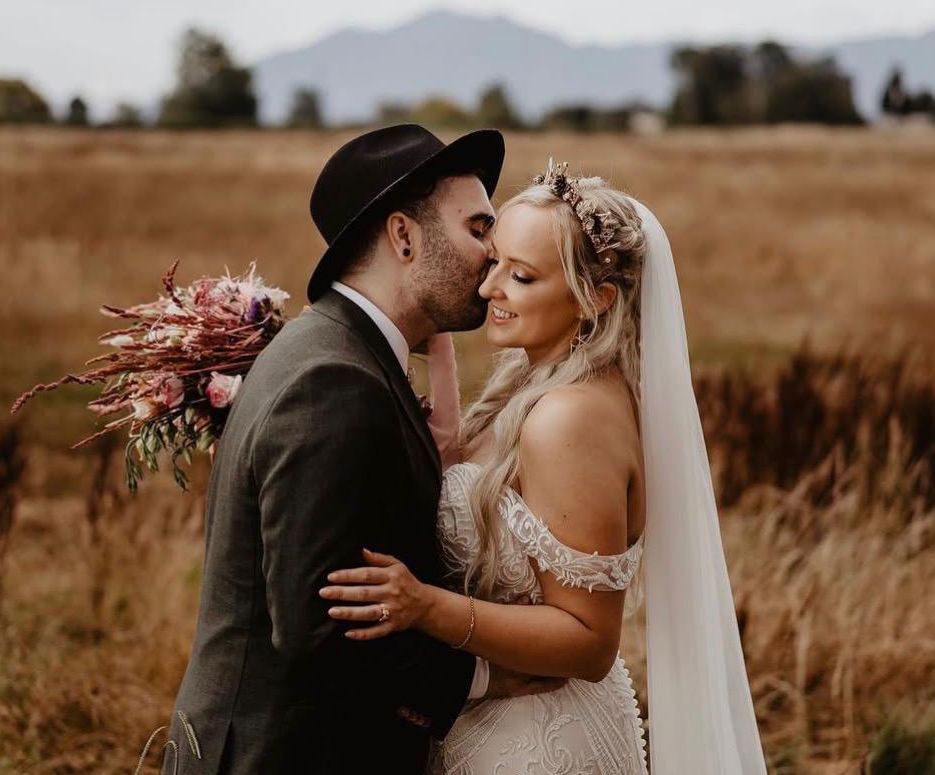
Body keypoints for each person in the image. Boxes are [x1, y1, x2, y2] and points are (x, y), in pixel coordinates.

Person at [319, 161, 768, 773]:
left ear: (595, 299)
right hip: (496, 726)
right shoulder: (538, 381)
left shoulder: (569, 419)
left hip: (543, 744)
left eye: (522, 276)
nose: (488, 289)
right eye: (494, 262)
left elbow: (589, 642)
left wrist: (425, 607)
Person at [159, 125, 561, 775]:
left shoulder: (338, 351)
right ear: (403, 237)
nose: (495, 253)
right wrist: (482, 675)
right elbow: (319, 626)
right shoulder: (334, 382)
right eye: (478, 228)